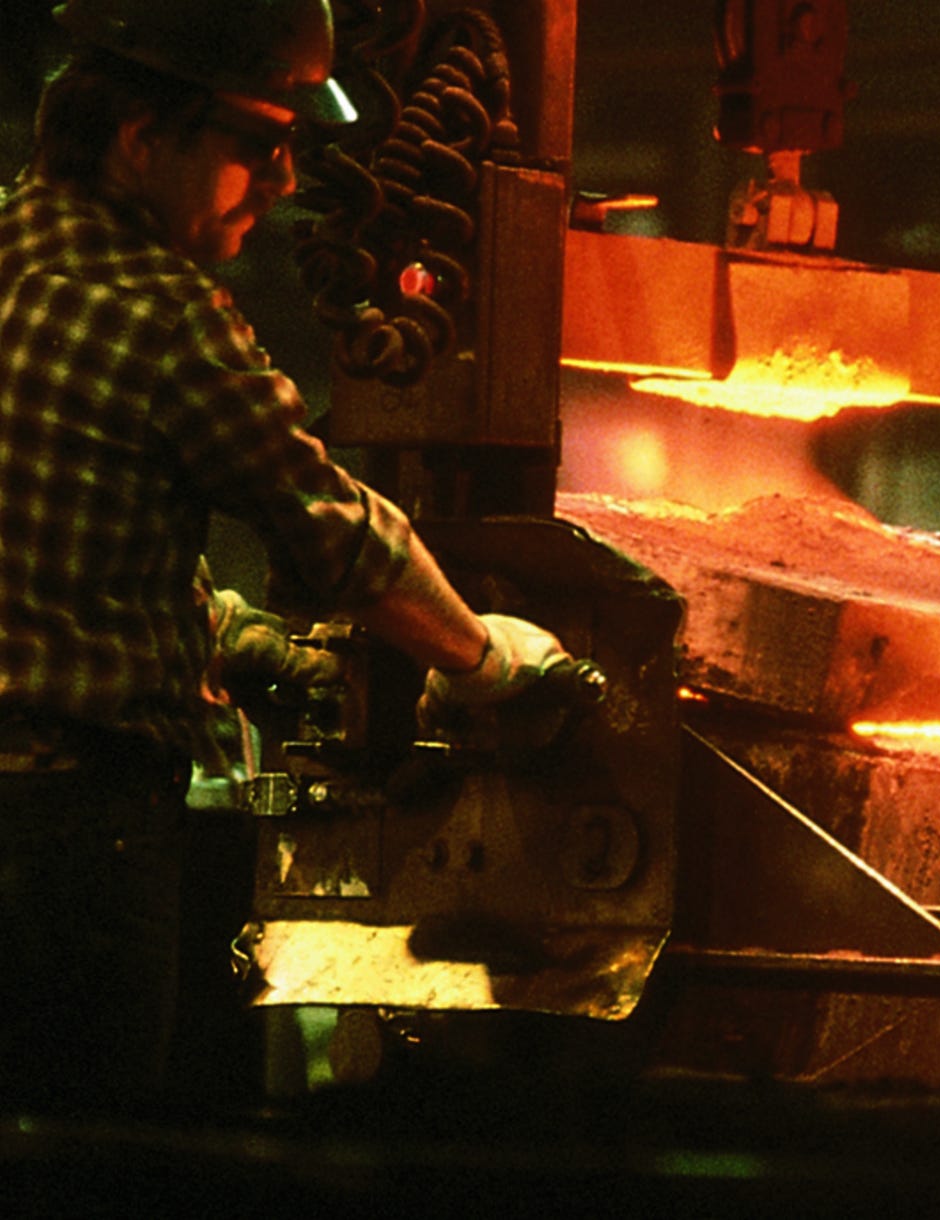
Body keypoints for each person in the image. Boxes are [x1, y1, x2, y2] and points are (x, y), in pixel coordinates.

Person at [0, 0, 568, 1114]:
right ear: (139, 139)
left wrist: (252, 643)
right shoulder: (160, 314)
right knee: (94, 1153)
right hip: (78, 840)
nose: (285, 178)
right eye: (257, 142)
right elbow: (330, 527)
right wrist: (482, 659)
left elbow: (63, 556)